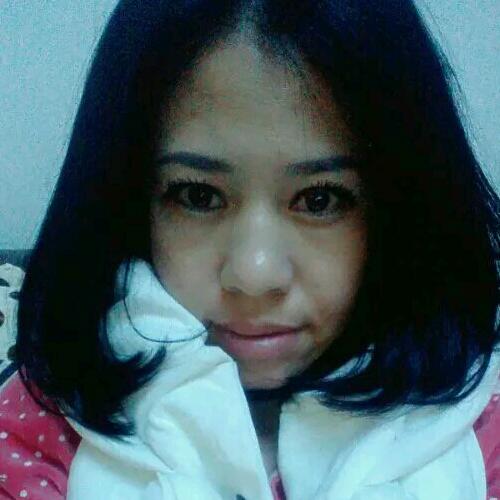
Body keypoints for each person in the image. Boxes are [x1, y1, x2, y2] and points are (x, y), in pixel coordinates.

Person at [0, 0, 499, 498]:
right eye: (198, 196)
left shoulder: (480, 429)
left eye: (320, 199)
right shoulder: (44, 425)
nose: (255, 275)